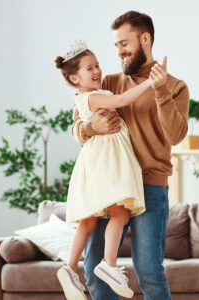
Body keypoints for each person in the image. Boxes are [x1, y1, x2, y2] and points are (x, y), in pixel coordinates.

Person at [72, 11, 190, 300]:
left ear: (145, 39)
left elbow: (176, 135)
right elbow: (76, 124)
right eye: (115, 46)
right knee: (95, 271)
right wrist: (89, 127)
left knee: (148, 270)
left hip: (150, 185)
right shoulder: (108, 83)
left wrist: (159, 91)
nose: (119, 51)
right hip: (109, 184)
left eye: (124, 43)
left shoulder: (175, 86)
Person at [55, 40, 163, 299]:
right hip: (108, 161)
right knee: (119, 212)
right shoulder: (95, 96)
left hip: (94, 162)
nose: (96, 71)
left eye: (97, 65)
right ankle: (109, 264)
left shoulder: (82, 99)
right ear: (74, 77)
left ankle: (69, 267)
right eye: (89, 68)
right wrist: (152, 82)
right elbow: (124, 99)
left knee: (89, 221)